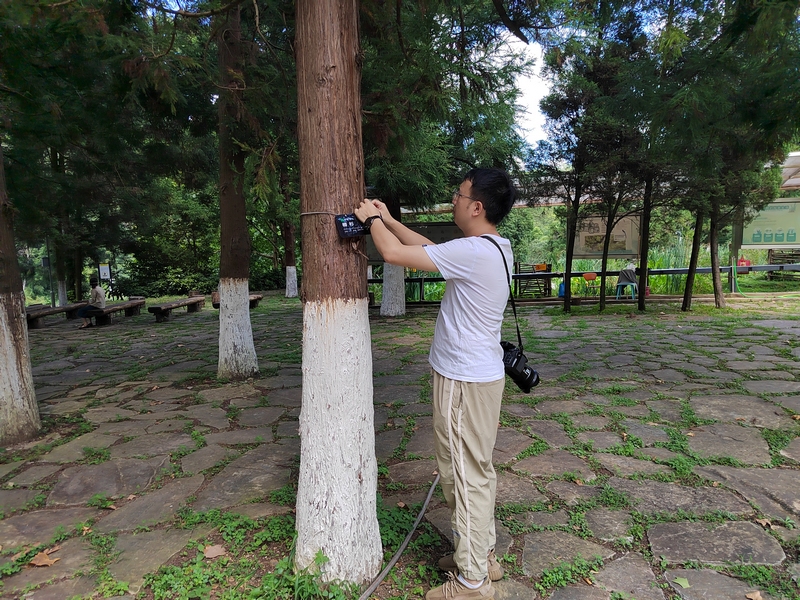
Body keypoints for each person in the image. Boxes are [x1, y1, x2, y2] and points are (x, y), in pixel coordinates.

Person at [355, 168, 516, 600]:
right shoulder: (494, 248)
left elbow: (392, 255)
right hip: (477, 377)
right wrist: (387, 218)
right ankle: (480, 555)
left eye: (459, 196)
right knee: (473, 471)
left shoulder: (476, 253)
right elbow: (431, 249)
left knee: (464, 475)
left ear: (477, 206)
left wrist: (370, 221)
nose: (454, 201)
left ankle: (472, 583)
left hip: (463, 381)